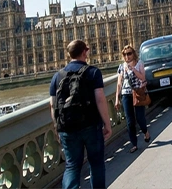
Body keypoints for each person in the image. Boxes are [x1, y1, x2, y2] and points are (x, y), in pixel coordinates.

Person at [49, 40, 111, 189]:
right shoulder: (93, 72)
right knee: (96, 163)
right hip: (91, 125)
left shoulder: (57, 76)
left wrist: (57, 127)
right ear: (84, 52)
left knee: (72, 166)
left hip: (67, 127)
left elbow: (52, 105)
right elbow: (100, 99)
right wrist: (107, 123)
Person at [114, 45, 150, 153]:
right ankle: (134, 144)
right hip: (126, 94)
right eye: (125, 54)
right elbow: (119, 84)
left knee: (140, 118)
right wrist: (117, 98)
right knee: (130, 122)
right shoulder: (121, 67)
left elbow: (142, 78)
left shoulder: (140, 64)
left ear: (133, 54)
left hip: (138, 93)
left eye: (129, 53)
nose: (127, 56)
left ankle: (145, 131)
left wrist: (133, 69)